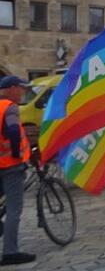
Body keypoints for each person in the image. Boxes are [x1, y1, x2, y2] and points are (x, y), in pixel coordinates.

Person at [0, 76, 36, 265]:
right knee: (14, 209)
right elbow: (13, 131)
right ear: (12, 88)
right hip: (10, 166)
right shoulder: (9, 107)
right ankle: (10, 252)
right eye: (21, 88)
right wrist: (16, 154)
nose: (23, 91)